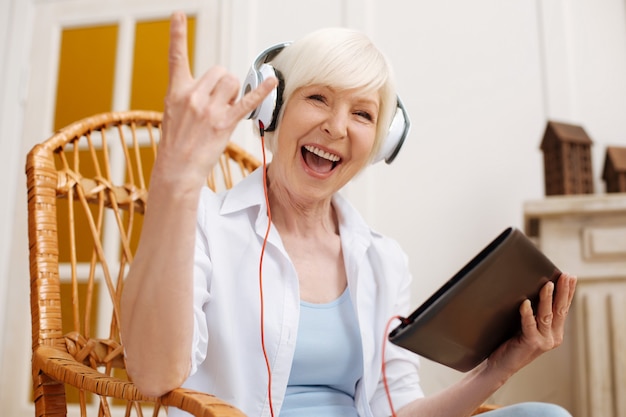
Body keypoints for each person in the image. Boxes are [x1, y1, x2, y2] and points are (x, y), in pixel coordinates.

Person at [120, 11, 578, 417]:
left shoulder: (383, 259)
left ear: (381, 141)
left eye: (362, 114)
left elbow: (398, 410)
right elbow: (155, 375)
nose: (336, 127)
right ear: (272, 108)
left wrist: (501, 365)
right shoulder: (205, 222)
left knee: (545, 415)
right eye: (318, 98)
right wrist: (176, 183)